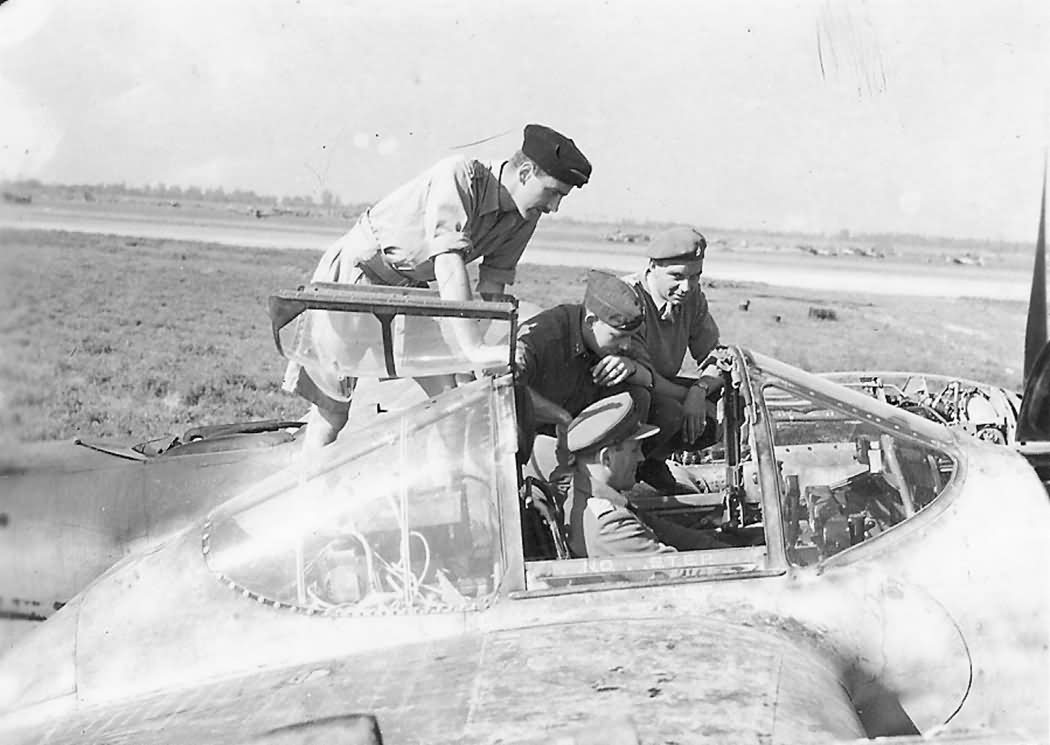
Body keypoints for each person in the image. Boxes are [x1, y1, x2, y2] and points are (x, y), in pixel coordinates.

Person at [284, 124, 591, 452]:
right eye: (553, 192)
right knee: (332, 415)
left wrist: (484, 358)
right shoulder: (460, 176)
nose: (555, 207)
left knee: (453, 402)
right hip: (354, 279)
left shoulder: (524, 216)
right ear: (527, 172)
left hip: (410, 292)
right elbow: (448, 261)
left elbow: (492, 286)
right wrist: (472, 348)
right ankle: (305, 492)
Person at [515, 270, 653, 477]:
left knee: (639, 396)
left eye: (630, 337)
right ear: (591, 322)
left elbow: (649, 378)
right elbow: (505, 386)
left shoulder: (620, 333)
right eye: (619, 337)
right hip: (536, 436)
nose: (626, 345)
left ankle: (615, 477)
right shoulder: (545, 336)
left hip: (579, 433)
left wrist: (631, 367)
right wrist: (560, 417)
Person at [561, 392, 730, 558]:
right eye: (634, 450)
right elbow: (682, 573)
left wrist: (730, 549)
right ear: (606, 458)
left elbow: (671, 533)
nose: (641, 457)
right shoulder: (611, 527)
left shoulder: (602, 500)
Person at [622, 226, 723, 492]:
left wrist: (700, 391)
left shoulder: (692, 299)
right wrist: (688, 397)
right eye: (676, 276)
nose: (687, 287)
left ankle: (654, 459)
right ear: (653, 266)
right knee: (668, 412)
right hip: (629, 388)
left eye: (696, 277)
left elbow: (716, 356)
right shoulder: (629, 299)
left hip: (662, 387)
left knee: (723, 404)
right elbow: (641, 375)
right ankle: (633, 468)